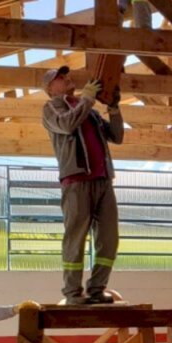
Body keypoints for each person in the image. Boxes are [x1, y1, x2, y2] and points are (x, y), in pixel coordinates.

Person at [41, 65, 125, 305]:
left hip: (103, 181)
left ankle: (97, 289)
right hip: (76, 181)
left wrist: (114, 108)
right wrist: (87, 98)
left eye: (66, 75)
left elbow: (117, 136)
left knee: (109, 238)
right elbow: (67, 125)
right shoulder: (51, 109)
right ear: (49, 88)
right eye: (60, 78)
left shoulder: (91, 112)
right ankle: (72, 293)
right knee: (76, 237)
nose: (67, 78)